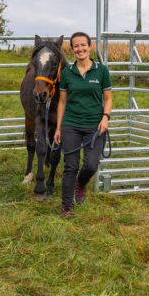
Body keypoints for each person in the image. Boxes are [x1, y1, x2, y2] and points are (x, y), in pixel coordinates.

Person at [54, 31, 112, 218]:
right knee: (70, 166)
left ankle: (81, 184)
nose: (80, 49)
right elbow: (62, 102)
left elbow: (108, 98)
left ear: (89, 46)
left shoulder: (101, 71)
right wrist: (58, 128)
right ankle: (66, 206)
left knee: (91, 165)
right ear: (72, 49)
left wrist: (105, 118)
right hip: (71, 123)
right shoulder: (66, 73)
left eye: (83, 45)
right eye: (76, 46)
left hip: (95, 125)